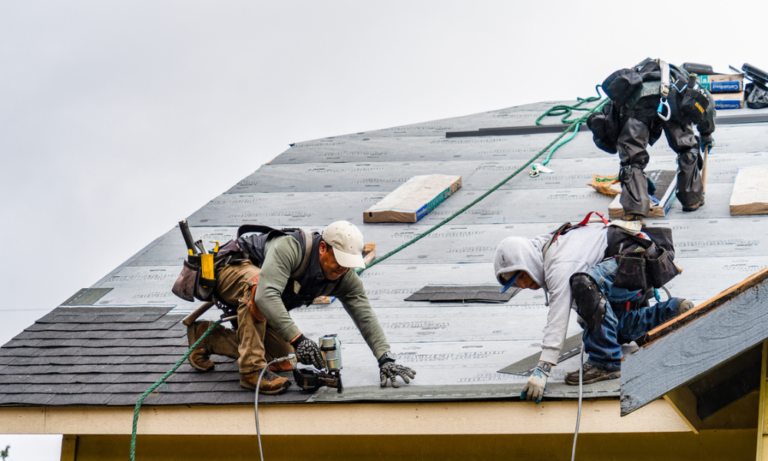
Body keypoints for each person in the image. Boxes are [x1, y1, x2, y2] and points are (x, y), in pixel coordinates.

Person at [188, 221, 416, 394]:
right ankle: (250, 371)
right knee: (258, 285)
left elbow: (364, 313)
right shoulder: (291, 248)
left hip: (257, 300)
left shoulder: (343, 276)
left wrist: (385, 358)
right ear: (323, 248)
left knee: (283, 358)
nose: (343, 269)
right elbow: (266, 295)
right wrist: (299, 339)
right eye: (339, 261)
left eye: (348, 265)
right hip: (232, 270)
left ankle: (207, 338)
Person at [493, 217, 692, 403]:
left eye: (520, 276)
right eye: (515, 284)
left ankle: (605, 361)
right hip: (633, 264)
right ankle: (670, 312)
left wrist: (543, 369)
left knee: (582, 284)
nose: (523, 285)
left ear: (527, 261)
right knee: (613, 331)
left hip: (637, 260)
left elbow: (558, 315)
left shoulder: (559, 262)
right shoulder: (543, 248)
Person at [594, 59, 716, 220]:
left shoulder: (631, 80)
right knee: (687, 147)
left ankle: (635, 209)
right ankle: (691, 199)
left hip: (636, 107)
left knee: (632, 158)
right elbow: (706, 104)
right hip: (672, 101)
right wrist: (706, 135)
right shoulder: (681, 78)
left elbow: (611, 118)